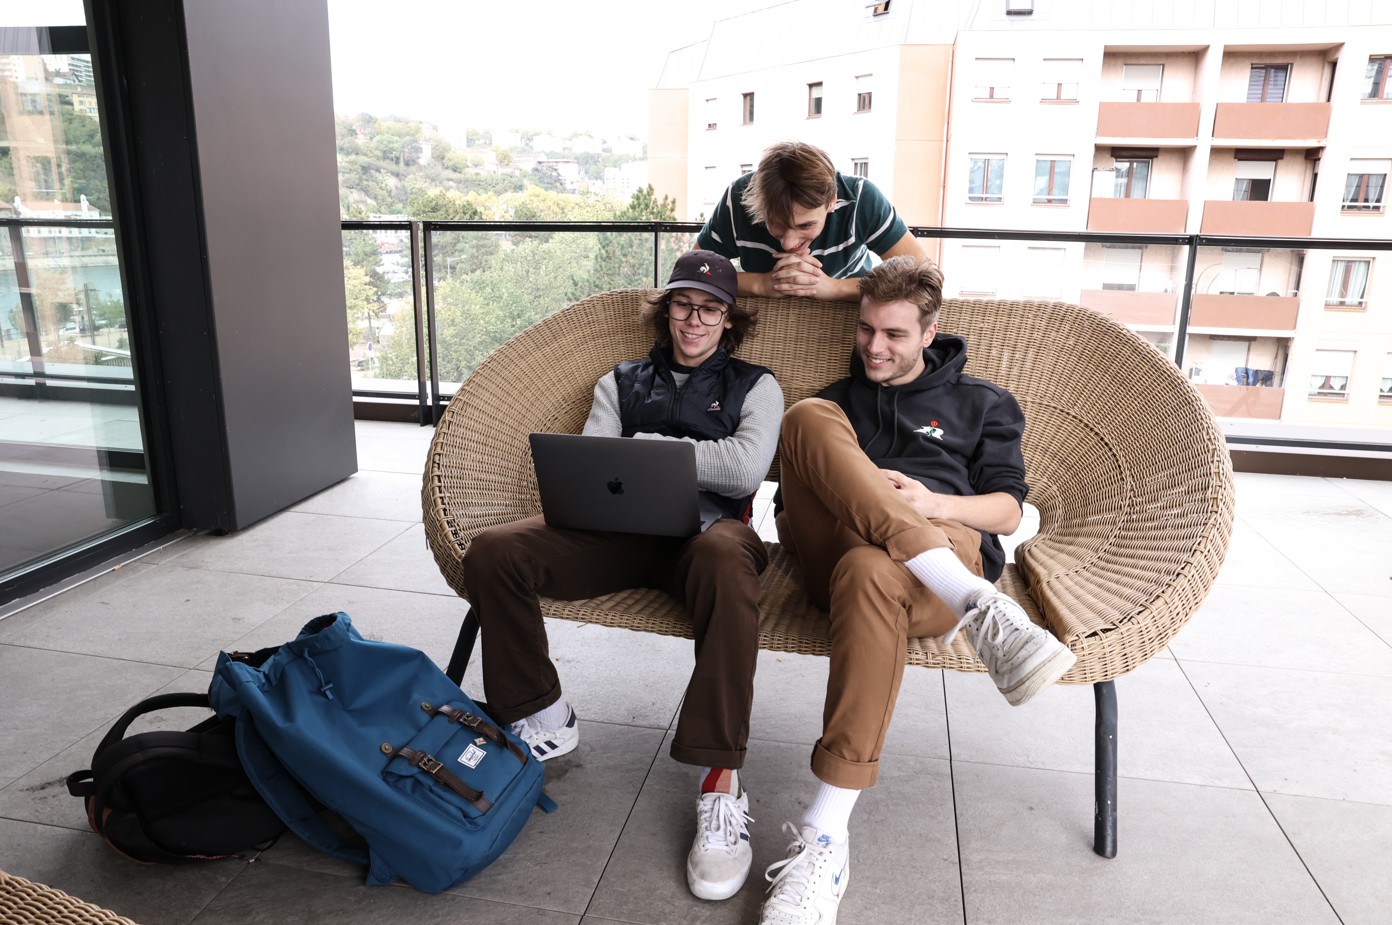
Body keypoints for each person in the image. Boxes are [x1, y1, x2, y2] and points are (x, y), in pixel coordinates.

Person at [756, 256, 1076, 925]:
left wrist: (935, 503)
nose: (874, 346)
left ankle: (825, 837)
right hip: (836, 548)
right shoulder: (838, 401)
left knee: (874, 570)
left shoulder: (981, 402)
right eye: (867, 329)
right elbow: (791, 507)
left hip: (925, 556)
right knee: (806, 416)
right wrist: (868, 497)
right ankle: (977, 605)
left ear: (930, 332)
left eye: (894, 334)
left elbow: (1010, 512)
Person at [460, 250, 784, 903]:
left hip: (708, 538)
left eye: (710, 309)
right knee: (495, 550)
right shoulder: (621, 380)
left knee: (727, 561)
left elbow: (746, 471)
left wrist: (659, 449)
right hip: (618, 534)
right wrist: (645, 460)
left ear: (730, 320)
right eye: (684, 306)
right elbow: (595, 461)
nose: (695, 320)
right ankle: (543, 712)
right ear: (666, 312)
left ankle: (720, 780)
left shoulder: (758, 386)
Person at [695, 141, 928, 302]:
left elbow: (924, 276)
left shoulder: (861, 199)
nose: (788, 244)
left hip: (851, 317)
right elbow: (690, 269)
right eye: (775, 223)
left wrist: (836, 289)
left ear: (832, 201)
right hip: (763, 317)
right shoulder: (740, 197)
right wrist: (761, 284)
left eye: (805, 225)